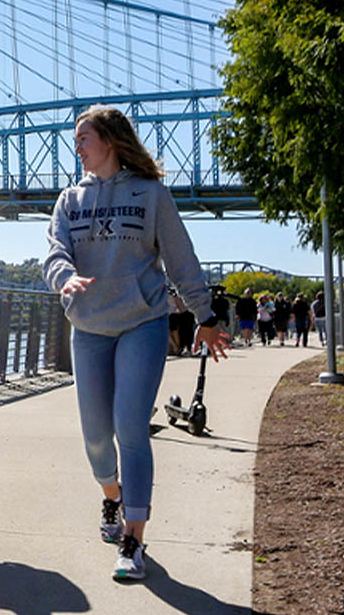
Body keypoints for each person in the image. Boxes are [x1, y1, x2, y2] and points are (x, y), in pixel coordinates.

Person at [43, 105, 229, 581]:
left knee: (131, 429)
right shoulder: (69, 199)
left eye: (84, 138)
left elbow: (181, 257)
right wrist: (63, 278)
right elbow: (56, 251)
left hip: (141, 323)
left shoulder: (150, 195)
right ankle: (112, 496)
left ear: (110, 140)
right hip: (88, 326)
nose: (77, 147)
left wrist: (205, 315)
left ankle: (134, 540)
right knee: (95, 435)